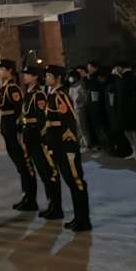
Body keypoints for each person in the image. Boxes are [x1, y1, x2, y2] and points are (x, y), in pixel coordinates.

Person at [43, 64, 92, 232]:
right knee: (70, 181)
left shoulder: (60, 95)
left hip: (65, 145)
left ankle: (83, 219)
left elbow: (69, 120)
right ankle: (78, 218)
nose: (46, 78)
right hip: (56, 144)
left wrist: (69, 143)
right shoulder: (53, 94)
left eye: (49, 76)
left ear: (57, 78)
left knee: (75, 181)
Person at [18, 59, 62, 219]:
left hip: (37, 139)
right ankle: (46, 204)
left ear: (35, 77)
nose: (25, 77)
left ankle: (55, 206)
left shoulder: (38, 95)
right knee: (35, 170)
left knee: (47, 172)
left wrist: (41, 138)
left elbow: (41, 120)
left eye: (27, 74)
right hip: (28, 136)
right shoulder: (29, 93)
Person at [0, 59, 36, 211]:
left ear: (10, 71)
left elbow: (20, 111)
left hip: (13, 129)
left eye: (2, 69)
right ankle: (26, 196)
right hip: (7, 128)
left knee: (24, 164)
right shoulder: (6, 87)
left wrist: (19, 132)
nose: (0, 72)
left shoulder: (12, 89)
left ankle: (30, 198)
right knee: (20, 166)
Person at [85, 61, 110, 154]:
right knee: (98, 128)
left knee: (101, 128)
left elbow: (96, 95)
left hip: (98, 107)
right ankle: (103, 145)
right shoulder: (91, 79)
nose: (88, 69)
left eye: (89, 67)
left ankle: (107, 146)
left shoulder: (96, 79)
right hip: (94, 107)